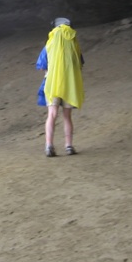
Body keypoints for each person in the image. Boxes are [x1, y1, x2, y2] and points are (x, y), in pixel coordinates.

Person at [36, 17, 84, 157]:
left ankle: (49, 146)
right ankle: (69, 146)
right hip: (69, 83)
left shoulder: (49, 43)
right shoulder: (74, 42)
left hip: (51, 83)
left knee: (52, 114)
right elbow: (80, 64)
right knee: (67, 116)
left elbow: (41, 66)